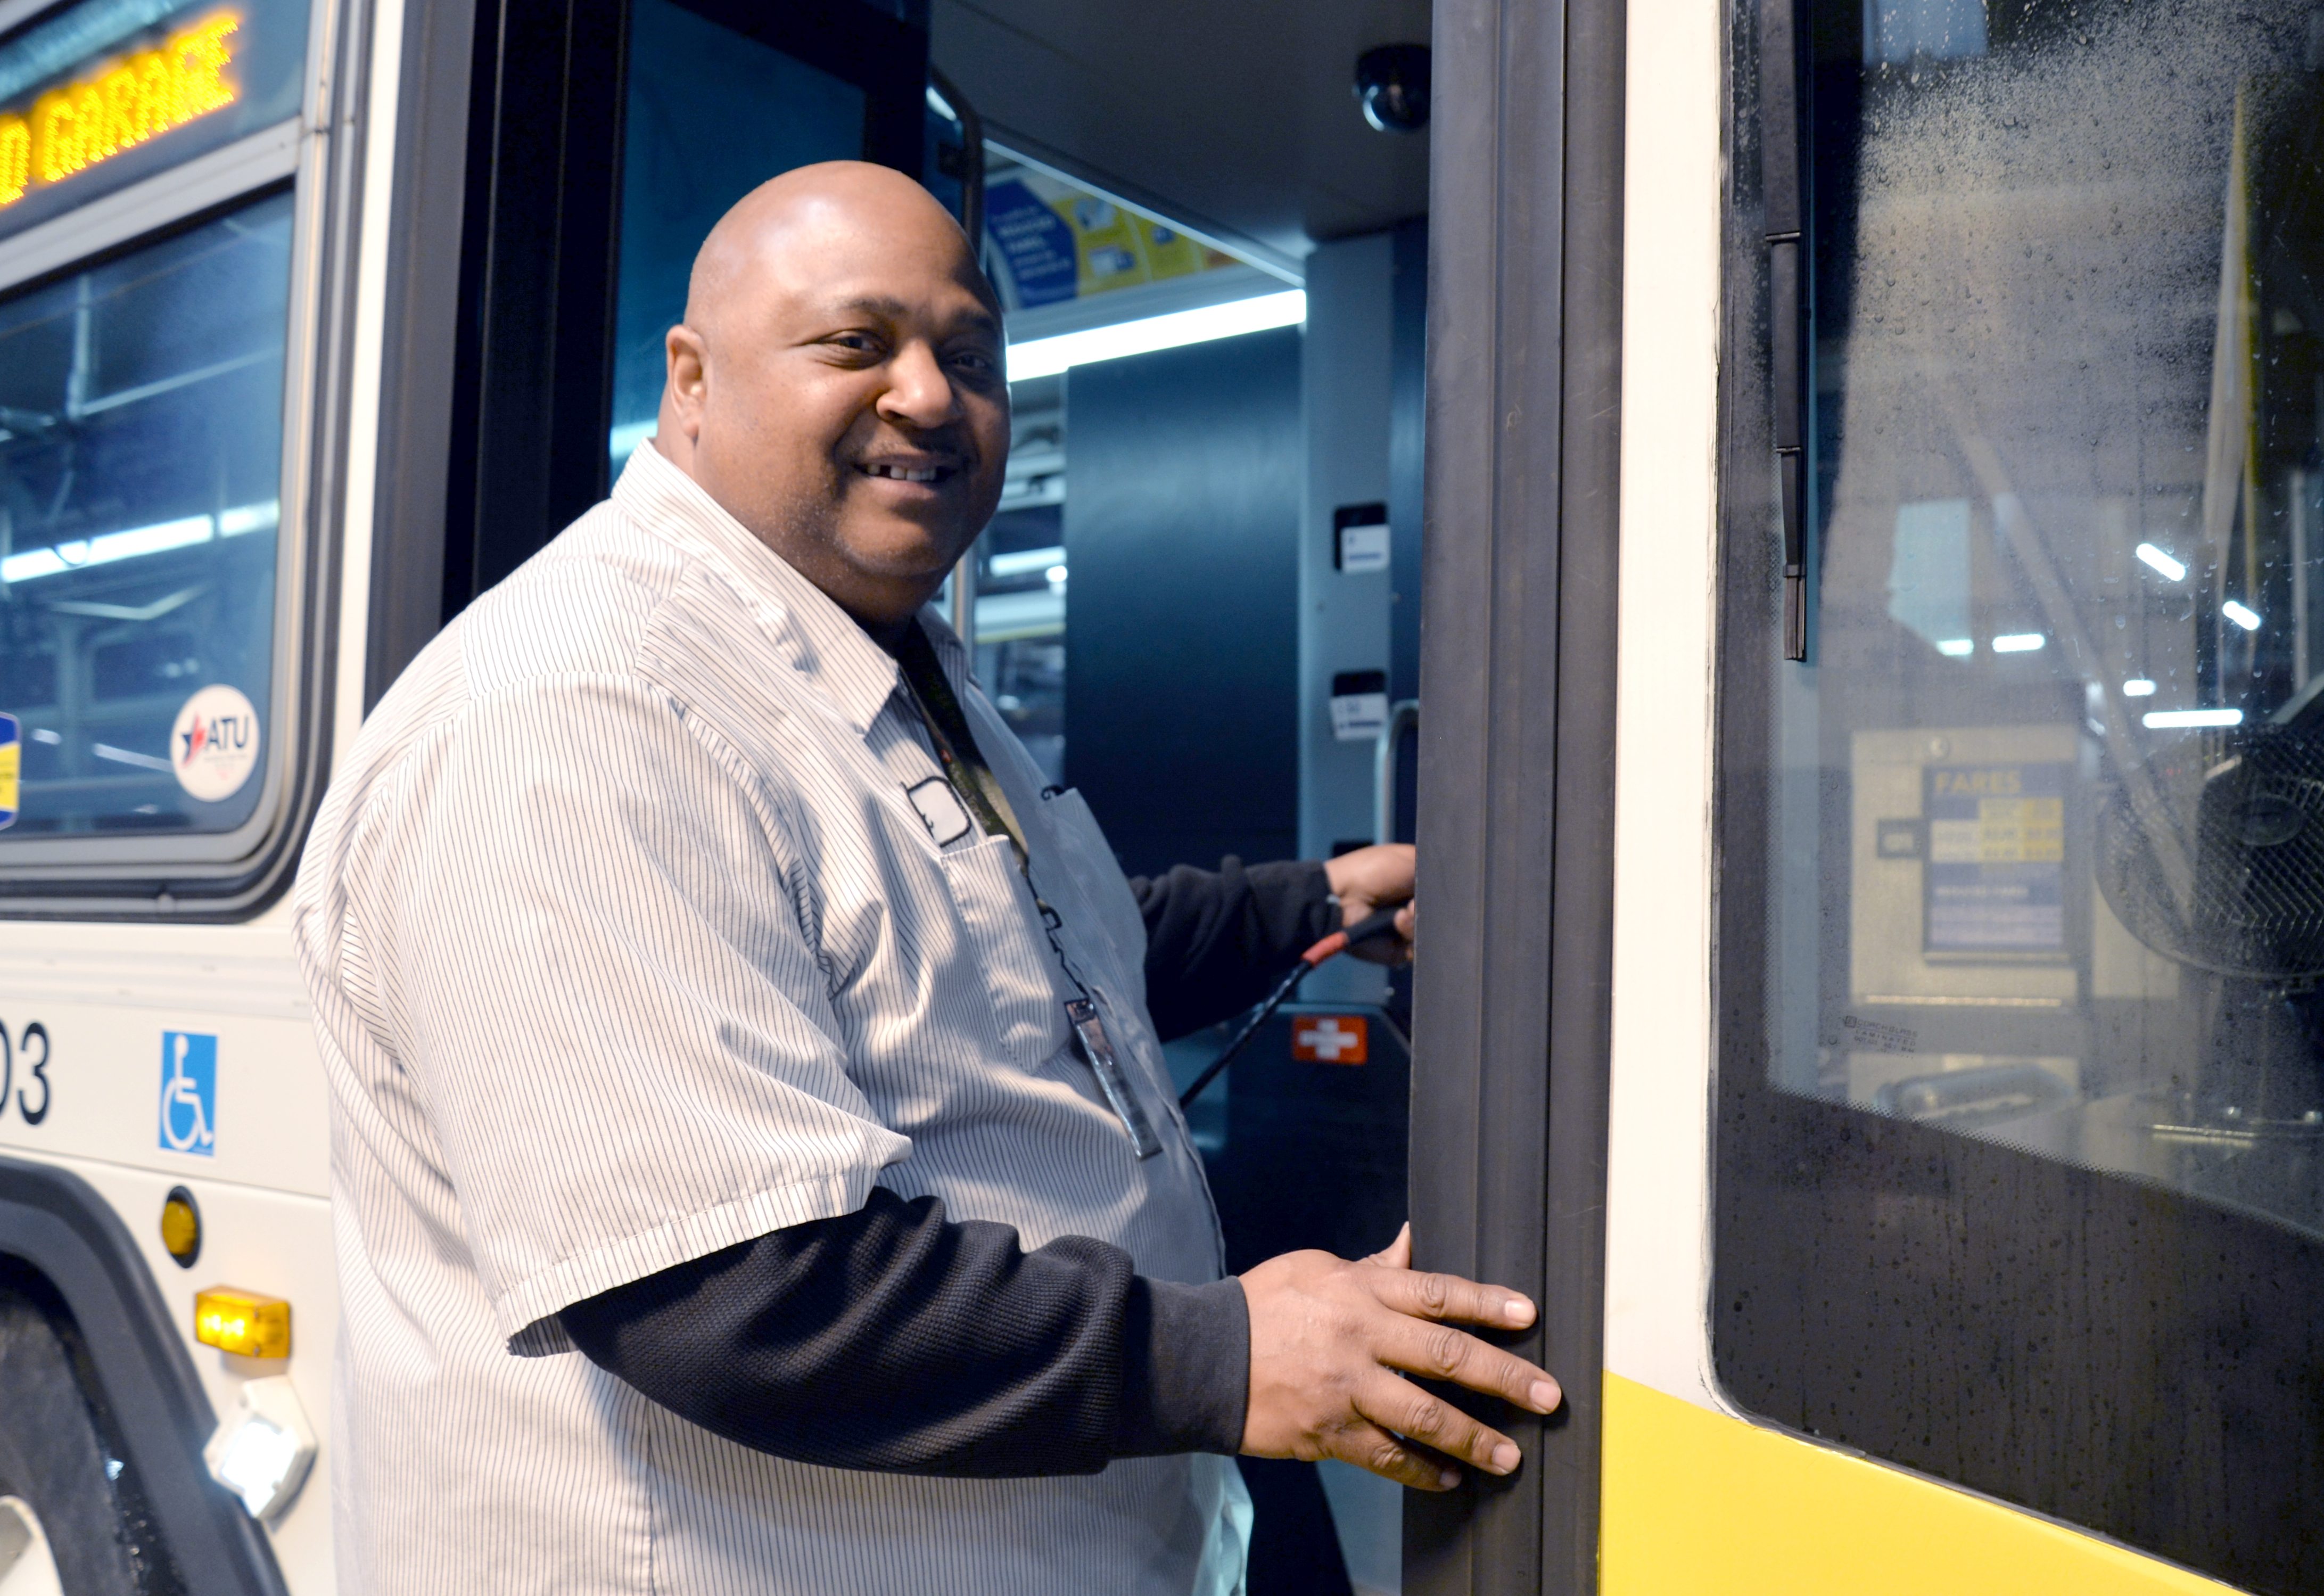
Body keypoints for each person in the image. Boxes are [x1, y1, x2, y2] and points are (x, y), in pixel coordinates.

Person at [292, 160, 1558, 1595]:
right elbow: (724, 1291)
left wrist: (1317, 903)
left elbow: (1008, 956)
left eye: (968, 354)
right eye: (857, 342)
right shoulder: (583, 713)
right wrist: (1230, 1353)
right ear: (691, 380)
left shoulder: (881, 658)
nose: (929, 395)